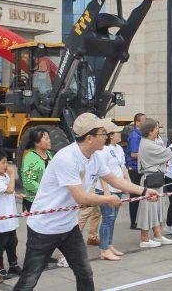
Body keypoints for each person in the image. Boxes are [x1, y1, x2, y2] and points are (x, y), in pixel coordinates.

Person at [14, 113, 160, 291]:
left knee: (84, 272)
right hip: (44, 229)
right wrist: (108, 199)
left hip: (68, 227)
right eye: (102, 133)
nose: (106, 137)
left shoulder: (96, 156)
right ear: (89, 138)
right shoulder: (67, 158)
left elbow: (115, 180)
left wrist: (144, 191)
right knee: (29, 280)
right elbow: (81, 197)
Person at [137, 119, 172, 248]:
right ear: (150, 131)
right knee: (148, 209)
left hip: (155, 178)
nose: (158, 130)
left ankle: (157, 235)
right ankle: (144, 239)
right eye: (156, 128)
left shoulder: (148, 142)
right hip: (150, 180)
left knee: (156, 208)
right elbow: (169, 153)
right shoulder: (148, 144)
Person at [95, 122, 130, 261]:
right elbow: (102, 172)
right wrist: (107, 191)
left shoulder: (119, 149)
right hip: (106, 190)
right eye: (117, 132)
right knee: (107, 219)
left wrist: (129, 183)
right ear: (110, 135)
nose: (120, 134)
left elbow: (123, 167)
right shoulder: (103, 150)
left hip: (118, 188)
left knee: (112, 219)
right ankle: (104, 249)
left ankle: (109, 244)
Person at [0, 149, 22, 278]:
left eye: (6, 162)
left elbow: (10, 191)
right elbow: (9, 190)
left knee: (12, 242)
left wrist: (17, 194)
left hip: (10, 216)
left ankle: (13, 264)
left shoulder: (4, 176)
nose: (6, 165)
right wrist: (13, 175)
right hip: (0, 219)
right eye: (3, 163)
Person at [21, 128, 53, 212]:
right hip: (35, 200)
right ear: (36, 142)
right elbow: (28, 181)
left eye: (49, 138)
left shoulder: (48, 154)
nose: (49, 141)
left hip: (48, 198)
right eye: (46, 139)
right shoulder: (30, 157)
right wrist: (45, 190)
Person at [125, 112, 146, 230]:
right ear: (137, 122)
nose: (145, 122)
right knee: (134, 194)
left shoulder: (141, 134)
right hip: (133, 168)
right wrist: (148, 155)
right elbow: (134, 154)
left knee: (138, 194)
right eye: (143, 120)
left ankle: (136, 220)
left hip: (138, 168)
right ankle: (133, 222)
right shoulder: (135, 136)